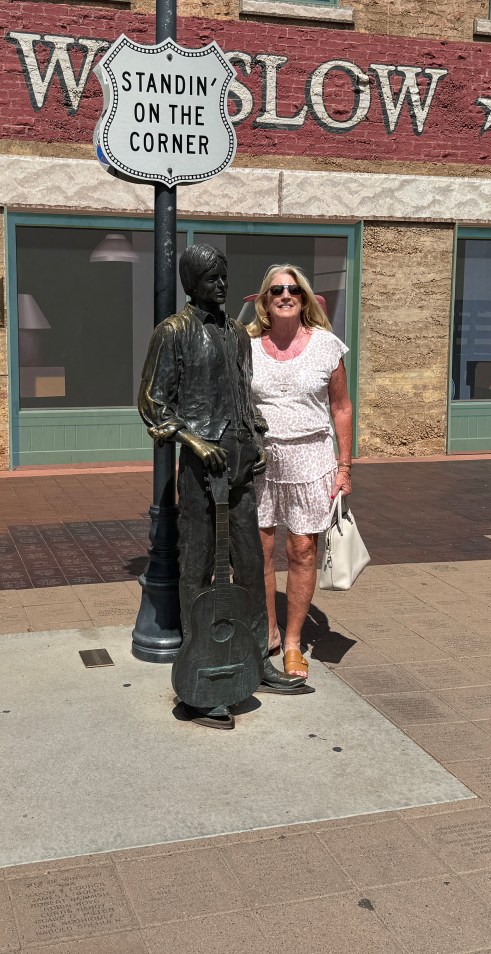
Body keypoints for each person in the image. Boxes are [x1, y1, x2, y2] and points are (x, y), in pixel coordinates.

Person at [139, 243, 308, 730]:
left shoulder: (236, 335)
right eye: (211, 279)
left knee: (252, 563)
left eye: (224, 278)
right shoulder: (173, 333)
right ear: (192, 284)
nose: (221, 287)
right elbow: (153, 404)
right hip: (199, 469)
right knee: (197, 567)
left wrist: (255, 437)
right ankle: (200, 679)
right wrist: (193, 441)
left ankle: (257, 660)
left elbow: (243, 394)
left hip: (239, 465)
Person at [247, 266, 353, 681]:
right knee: (257, 550)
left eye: (293, 289)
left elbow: (341, 408)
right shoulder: (249, 346)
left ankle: (292, 642)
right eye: (277, 289)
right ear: (265, 299)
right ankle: (268, 632)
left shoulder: (327, 346)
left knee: (302, 550)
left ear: (305, 298)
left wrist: (344, 467)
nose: (286, 294)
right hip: (261, 460)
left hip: (311, 459)